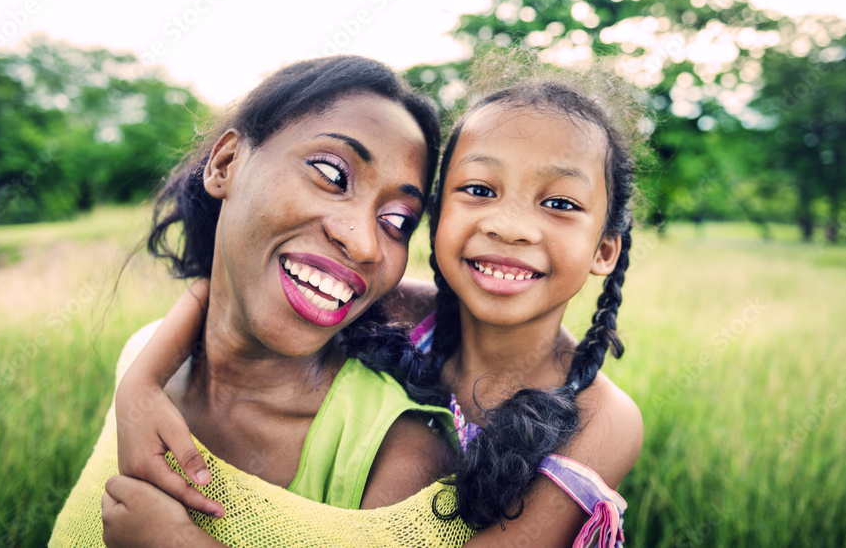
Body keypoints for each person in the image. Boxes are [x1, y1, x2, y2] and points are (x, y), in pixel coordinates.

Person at [103, 56, 644, 547]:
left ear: (604, 249)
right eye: (479, 190)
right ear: (436, 220)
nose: (509, 227)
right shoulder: (406, 310)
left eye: (559, 202)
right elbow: (227, 290)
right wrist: (141, 383)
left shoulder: (601, 417)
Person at [49, 55, 477, 547]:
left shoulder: (397, 460)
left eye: (398, 221)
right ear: (226, 163)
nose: (364, 243)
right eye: (332, 174)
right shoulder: (144, 362)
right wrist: (142, 379)